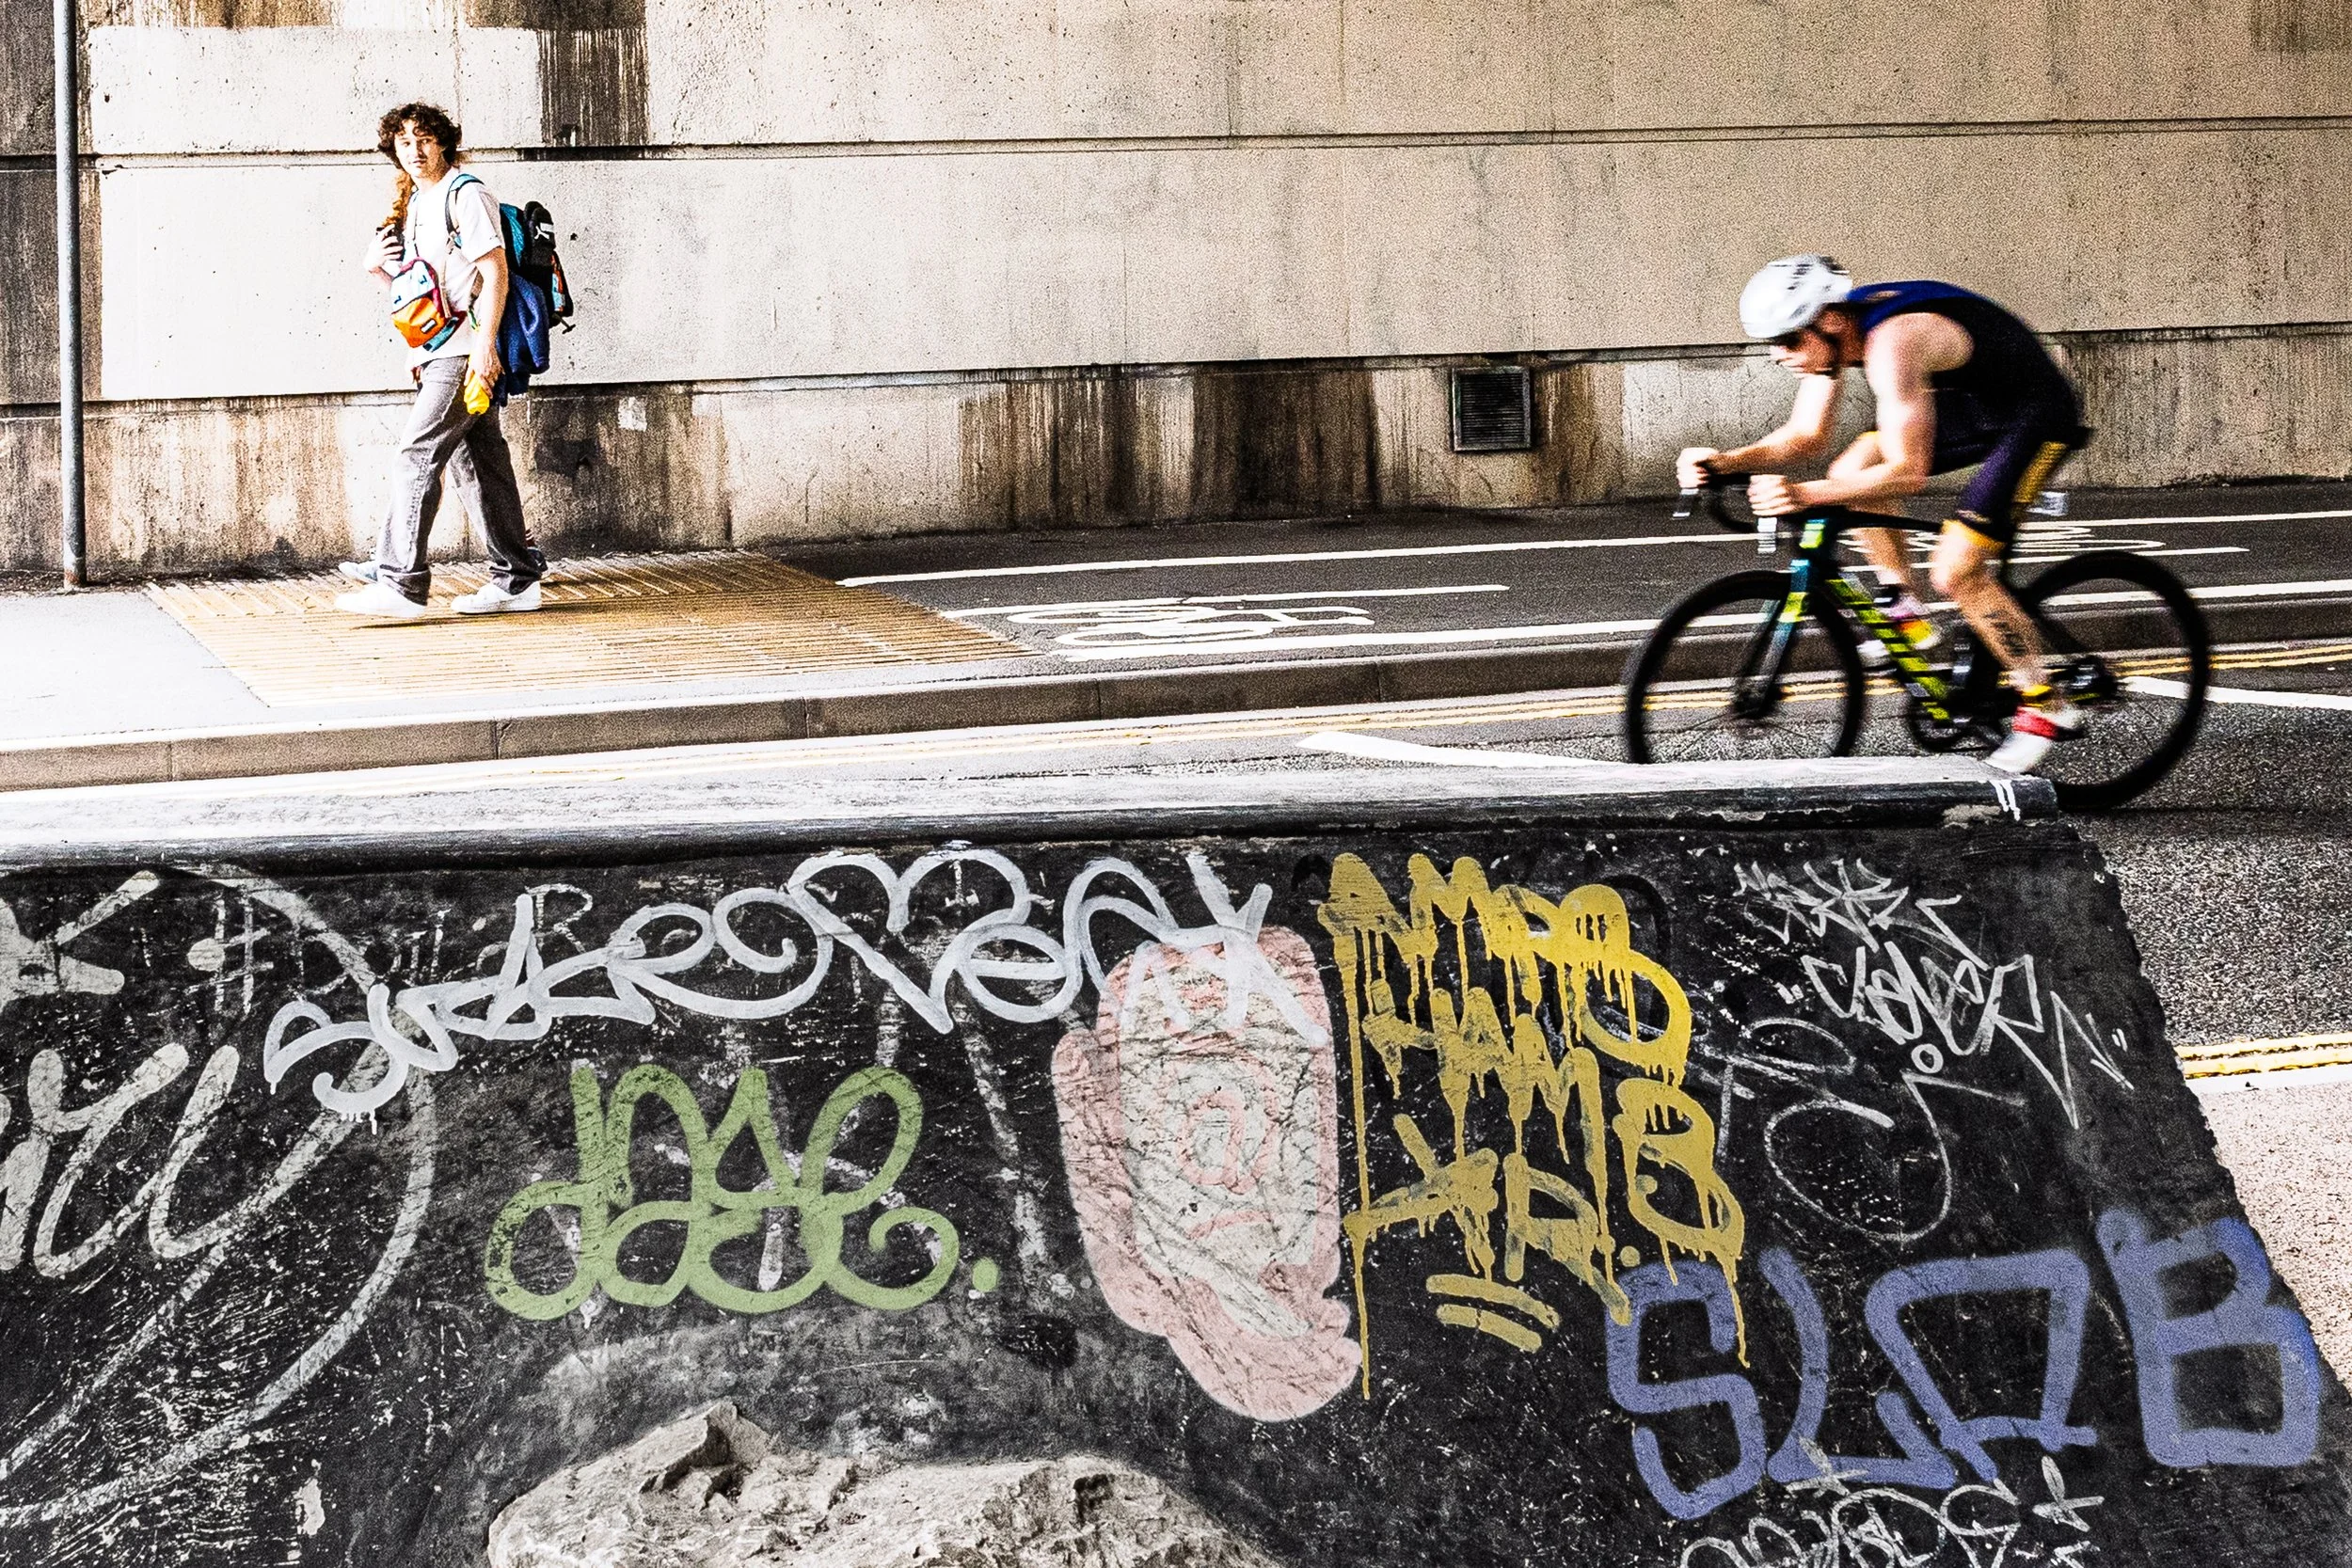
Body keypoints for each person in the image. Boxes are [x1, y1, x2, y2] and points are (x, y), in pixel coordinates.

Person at [1677, 255, 2087, 773]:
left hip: (2037, 416)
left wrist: (1806, 496)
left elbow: (1908, 473)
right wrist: (1722, 461)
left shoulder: (1892, 344)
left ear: (1827, 319)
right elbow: (1807, 435)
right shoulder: (1832, 339)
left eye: (1786, 342)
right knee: (1852, 466)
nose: (1780, 356)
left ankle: (2046, 703)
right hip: (1982, 406)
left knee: (1957, 569)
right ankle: (1905, 608)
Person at [336, 102, 543, 619]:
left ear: (444, 142)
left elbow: (495, 274)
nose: (415, 151)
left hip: (466, 351)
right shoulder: (420, 204)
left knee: (417, 454)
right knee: (480, 464)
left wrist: (484, 348)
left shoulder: (465, 194)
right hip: (440, 351)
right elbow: (424, 292)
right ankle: (517, 579)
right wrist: (377, 274)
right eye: (404, 143)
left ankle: (400, 581)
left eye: (424, 139)